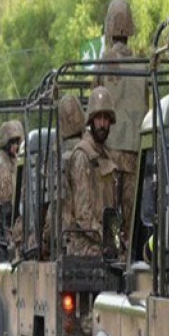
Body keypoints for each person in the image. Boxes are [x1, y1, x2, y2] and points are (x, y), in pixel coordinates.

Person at [94, 0, 147, 242]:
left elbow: (93, 106)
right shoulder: (142, 65)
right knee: (132, 218)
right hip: (136, 155)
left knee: (110, 217)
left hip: (109, 153)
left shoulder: (103, 63)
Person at [63, 88, 120, 258]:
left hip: (101, 242)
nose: (102, 124)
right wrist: (108, 238)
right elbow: (83, 215)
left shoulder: (105, 154)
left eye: (106, 119)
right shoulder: (82, 155)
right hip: (85, 247)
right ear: (91, 120)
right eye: (98, 118)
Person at [41, 94, 85, 259]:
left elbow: (54, 203)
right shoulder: (90, 149)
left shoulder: (57, 154)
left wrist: (45, 239)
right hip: (89, 240)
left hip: (63, 240)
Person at [0, 120, 24, 247]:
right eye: (13, 143)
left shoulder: (8, 160)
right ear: (6, 144)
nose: (16, 146)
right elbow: (6, 199)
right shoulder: (3, 164)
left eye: (17, 142)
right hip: (5, 222)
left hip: (5, 219)